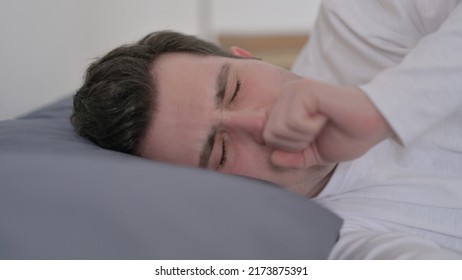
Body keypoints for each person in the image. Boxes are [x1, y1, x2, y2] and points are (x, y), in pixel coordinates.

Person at [72, 0, 462, 259]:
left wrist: (380, 108)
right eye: (220, 153)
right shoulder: (334, 244)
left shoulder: (356, 19)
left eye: (234, 89)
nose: (258, 124)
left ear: (246, 56)